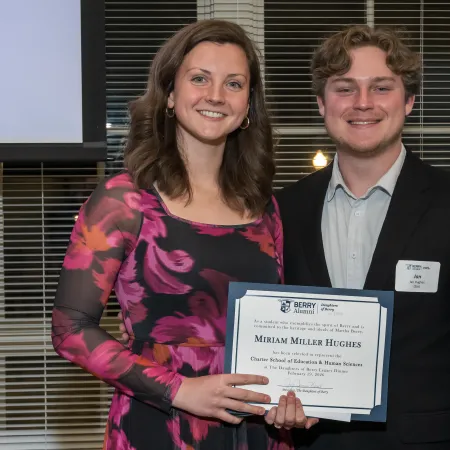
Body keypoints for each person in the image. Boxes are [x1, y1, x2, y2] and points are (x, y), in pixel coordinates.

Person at [51, 19, 317, 450]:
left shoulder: (264, 207)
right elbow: (69, 328)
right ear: (171, 94)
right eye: (199, 79)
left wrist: (295, 395)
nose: (215, 95)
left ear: (248, 104)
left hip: (256, 427)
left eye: (234, 83)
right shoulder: (125, 200)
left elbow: (279, 329)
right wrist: (179, 390)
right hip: (157, 421)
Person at [276, 25, 450, 449]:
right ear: (322, 103)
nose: (363, 104)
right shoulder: (280, 211)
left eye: (381, 87)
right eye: (345, 88)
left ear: (409, 101)